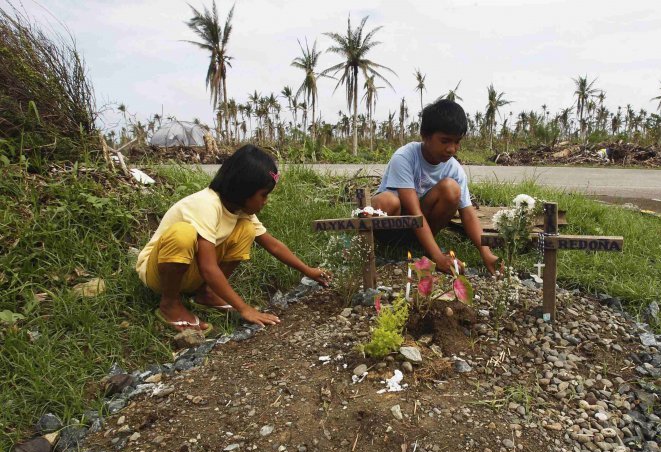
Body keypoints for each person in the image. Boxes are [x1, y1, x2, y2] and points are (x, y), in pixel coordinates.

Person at [136, 144, 329, 333]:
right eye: (263, 195)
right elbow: (208, 267)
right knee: (183, 234)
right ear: (244, 189)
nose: (265, 201)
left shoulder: (240, 211)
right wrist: (244, 308)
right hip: (159, 275)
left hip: (189, 273)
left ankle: (207, 293)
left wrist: (307, 270)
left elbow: (274, 246)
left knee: (247, 230)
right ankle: (170, 303)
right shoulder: (206, 205)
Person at [371, 99, 500, 274]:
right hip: (393, 226)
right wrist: (438, 257)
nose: (451, 149)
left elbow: (468, 214)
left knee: (451, 189)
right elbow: (413, 211)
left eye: (457, 142)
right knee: (387, 201)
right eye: (445, 141)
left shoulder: (454, 169)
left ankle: (421, 245)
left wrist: (486, 253)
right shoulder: (405, 157)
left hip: (419, 228)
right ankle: (377, 245)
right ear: (425, 135)